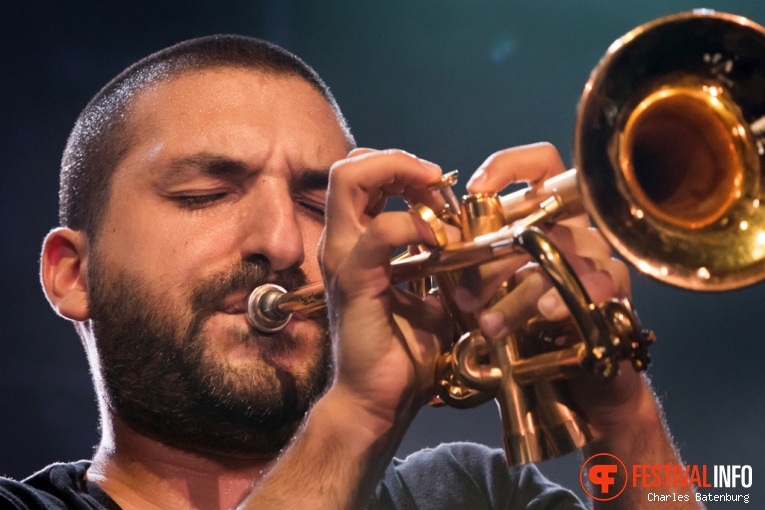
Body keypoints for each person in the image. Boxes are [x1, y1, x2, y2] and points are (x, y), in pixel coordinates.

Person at [0, 35, 702, 509]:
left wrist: (620, 408)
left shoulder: (469, 492)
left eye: (316, 203)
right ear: (72, 274)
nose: (281, 241)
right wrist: (358, 414)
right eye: (203, 195)